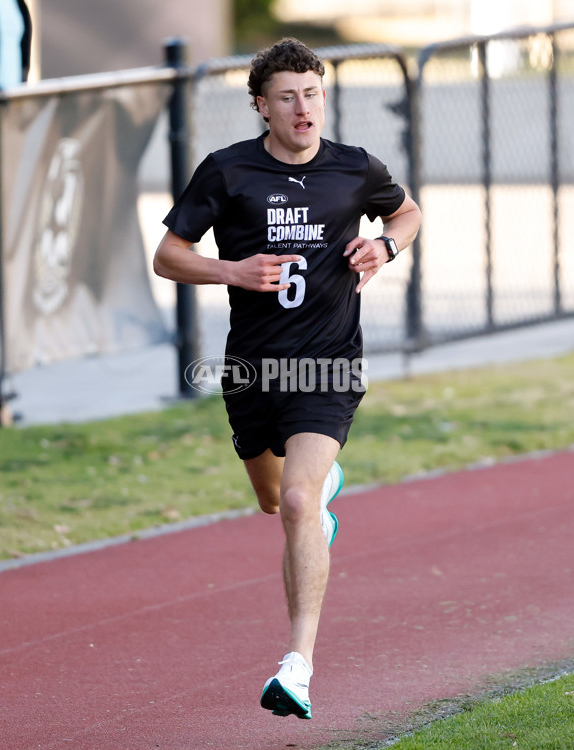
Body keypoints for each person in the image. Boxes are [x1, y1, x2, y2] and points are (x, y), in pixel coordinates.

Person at [153, 37, 421, 720]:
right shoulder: (226, 172)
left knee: (298, 507)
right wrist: (232, 270)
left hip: (327, 364)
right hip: (252, 369)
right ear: (261, 107)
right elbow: (168, 256)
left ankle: (296, 667)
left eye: (313, 94)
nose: (303, 109)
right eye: (287, 98)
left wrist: (385, 244)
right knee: (278, 503)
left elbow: (406, 211)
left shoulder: (355, 169)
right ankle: (319, 492)